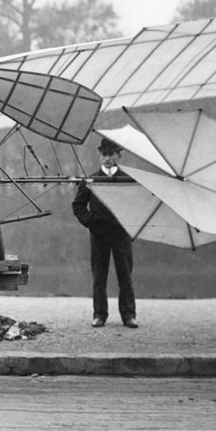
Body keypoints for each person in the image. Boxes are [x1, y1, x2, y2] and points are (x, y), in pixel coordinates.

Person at [71, 137, 137, 329]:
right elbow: (78, 206)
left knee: (125, 275)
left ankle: (129, 315)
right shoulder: (91, 180)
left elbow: (137, 205)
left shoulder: (127, 180)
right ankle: (99, 314)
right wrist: (91, 222)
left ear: (118, 156)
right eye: (104, 154)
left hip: (121, 234)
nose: (107, 158)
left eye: (111, 154)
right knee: (99, 277)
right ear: (100, 156)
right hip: (99, 234)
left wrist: (129, 223)